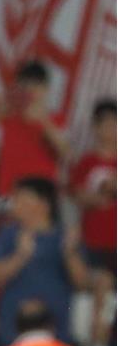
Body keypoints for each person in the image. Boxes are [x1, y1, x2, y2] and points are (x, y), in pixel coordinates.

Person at [0, 178, 88, 346]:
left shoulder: (64, 237)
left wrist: (70, 253)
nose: (14, 204)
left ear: (44, 204)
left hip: (55, 330)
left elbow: (82, 283)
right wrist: (20, 256)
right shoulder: (8, 235)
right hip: (14, 330)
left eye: (21, 199)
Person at [0, 62, 67, 203]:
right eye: (25, 86)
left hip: (41, 200)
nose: (30, 91)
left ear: (46, 89)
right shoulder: (4, 120)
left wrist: (43, 121)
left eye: (35, 85)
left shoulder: (56, 120)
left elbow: (66, 153)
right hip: (8, 197)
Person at [68, 99, 116, 272]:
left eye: (114, 123)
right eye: (105, 123)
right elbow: (77, 196)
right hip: (93, 238)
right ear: (95, 127)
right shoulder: (86, 162)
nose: (110, 129)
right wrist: (105, 194)